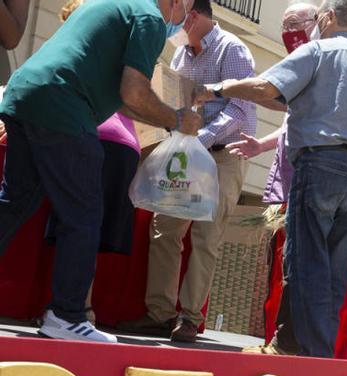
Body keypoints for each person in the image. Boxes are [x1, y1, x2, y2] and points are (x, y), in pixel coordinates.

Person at [192, 0, 347, 357]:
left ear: (328, 17)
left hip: (319, 164)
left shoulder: (317, 51)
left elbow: (265, 88)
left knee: (305, 261)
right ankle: (302, 348)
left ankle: (311, 357)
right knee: (332, 270)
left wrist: (220, 89)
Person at [0, 0, 202, 343]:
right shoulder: (150, 18)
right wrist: (179, 119)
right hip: (64, 106)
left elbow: (122, 97)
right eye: (188, 8)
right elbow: (134, 91)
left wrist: (168, 118)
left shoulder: (109, 4)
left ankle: (65, 314)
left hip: (25, 95)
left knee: (14, 204)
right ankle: (66, 315)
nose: (184, 19)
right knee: (84, 214)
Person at [118, 0, 257, 342]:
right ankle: (160, 313)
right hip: (189, 151)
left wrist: (199, 138)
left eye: (176, 17)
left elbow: (240, 110)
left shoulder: (233, 50)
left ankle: (191, 317)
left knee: (206, 235)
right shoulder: (181, 55)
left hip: (225, 155)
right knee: (165, 225)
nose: (171, 23)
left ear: (192, 16)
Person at [44, 0, 145, 325]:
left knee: (79, 227)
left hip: (94, 137)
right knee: (86, 228)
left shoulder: (84, 51)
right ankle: (76, 308)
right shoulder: (120, 43)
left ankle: (76, 309)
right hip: (118, 143)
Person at [226, 3, 319, 349]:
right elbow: (289, 122)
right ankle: (282, 337)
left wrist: (228, 88)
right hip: (290, 179)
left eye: (295, 24)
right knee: (285, 261)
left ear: (317, 23)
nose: (288, 31)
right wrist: (259, 146)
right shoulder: (302, 62)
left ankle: (288, 342)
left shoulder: (319, 60)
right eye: (284, 25)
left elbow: (283, 101)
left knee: (298, 262)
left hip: (311, 179)